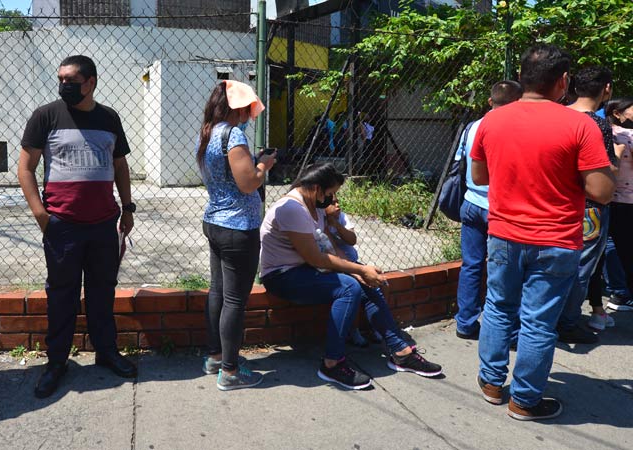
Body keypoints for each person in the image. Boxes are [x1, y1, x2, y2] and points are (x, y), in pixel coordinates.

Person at [471, 45, 615, 421]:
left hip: (503, 233)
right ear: (563, 81)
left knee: (498, 307)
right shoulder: (580, 125)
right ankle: (524, 400)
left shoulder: (492, 120)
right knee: (538, 321)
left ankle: (491, 383)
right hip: (555, 240)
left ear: (521, 77)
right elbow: (601, 191)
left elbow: (479, 177)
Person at [260, 163, 442, 390]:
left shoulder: (314, 204)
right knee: (349, 287)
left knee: (366, 283)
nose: (332, 199)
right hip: (282, 276)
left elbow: (329, 247)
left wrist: (357, 270)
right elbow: (315, 258)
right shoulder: (292, 209)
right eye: (330, 193)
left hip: (306, 269)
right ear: (316, 188)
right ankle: (332, 363)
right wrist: (357, 271)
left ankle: (400, 351)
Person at [19, 55, 137, 398]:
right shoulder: (46, 116)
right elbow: (25, 168)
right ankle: (57, 362)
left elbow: (120, 166)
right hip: (63, 226)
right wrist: (42, 215)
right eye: (61, 79)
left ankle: (106, 352)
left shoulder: (109, 118)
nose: (64, 85)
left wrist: (127, 208)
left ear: (91, 82)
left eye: (71, 80)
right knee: (61, 296)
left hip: (103, 224)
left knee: (103, 292)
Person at [196, 80, 276, 390]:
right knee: (234, 301)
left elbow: (227, 174)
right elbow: (248, 182)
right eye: (247, 109)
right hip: (238, 227)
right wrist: (263, 165)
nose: (248, 116)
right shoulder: (233, 134)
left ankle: (215, 357)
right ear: (237, 108)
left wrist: (253, 162)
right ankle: (230, 372)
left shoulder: (209, 132)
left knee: (218, 292)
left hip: (215, 222)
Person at [454, 80, 523, 340]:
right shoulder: (517, 128)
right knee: (504, 270)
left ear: (490, 101)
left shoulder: (473, 126)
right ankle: (508, 331)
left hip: (471, 202)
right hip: (501, 207)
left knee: (471, 265)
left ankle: (465, 322)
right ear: (518, 103)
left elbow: (460, 161)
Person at [557, 66, 617, 338]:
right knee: (581, 269)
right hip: (589, 208)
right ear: (607, 89)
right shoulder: (598, 124)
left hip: (557, 202)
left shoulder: (558, 114)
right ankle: (568, 323)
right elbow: (605, 172)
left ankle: (551, 317)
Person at [323, 196, 378, 347]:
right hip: (337, 265)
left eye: (338, 201)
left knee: (380, 285)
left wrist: (336, 224)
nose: (338, 205)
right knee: (355, 290)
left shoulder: (341, 217)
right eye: (332, 203)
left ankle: (376, 326)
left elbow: (352, 240)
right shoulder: (319, 221)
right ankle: (354, 330)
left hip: (352, 262)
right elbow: (333, 250)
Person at [605, 97, 633, 311]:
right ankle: (623, 293)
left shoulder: (604, 133)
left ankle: (617, 291)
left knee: (610, 244)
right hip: (627, 199)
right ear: (618, 113)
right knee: (624, 248)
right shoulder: (628, 135)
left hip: (608, 197)